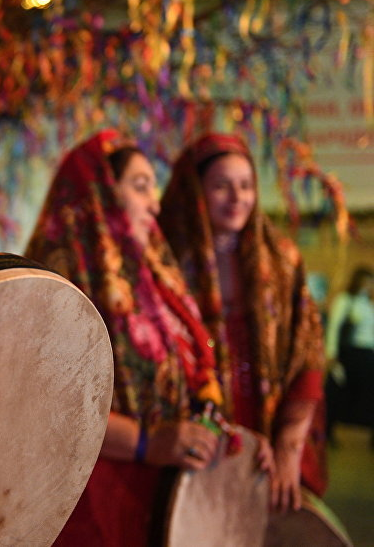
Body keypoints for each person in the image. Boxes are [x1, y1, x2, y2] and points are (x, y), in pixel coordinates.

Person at [24, 130, 238, 546]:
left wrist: (208, 412)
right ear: (98, 195)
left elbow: (201, 356)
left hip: (165, 492)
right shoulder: (57, 289)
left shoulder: (156, 279)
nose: (154, 204)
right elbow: (48, 407)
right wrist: (146, 442)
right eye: (140, 186)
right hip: (90, 501)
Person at [159, 133, 327, 512]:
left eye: (246, 185)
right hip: (196, 441)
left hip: (274, 430)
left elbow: (309, 357)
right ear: (194, 191)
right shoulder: (166, 265)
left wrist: (287, 447)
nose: (238, 198)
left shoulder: (282, 262)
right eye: (222, 186)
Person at [325, 265, 374, 442]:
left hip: (367, 354)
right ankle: (329, 430)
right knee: (337, 393)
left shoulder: (368, 304)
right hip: (350, 354)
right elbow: (334, 328)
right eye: (366, 280)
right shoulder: (345, 300)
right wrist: (331, 353)